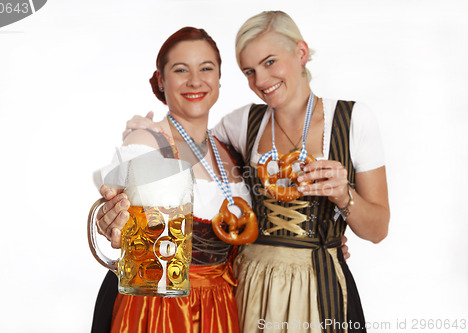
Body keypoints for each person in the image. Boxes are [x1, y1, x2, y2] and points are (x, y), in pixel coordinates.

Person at [108, 11, 384, 333]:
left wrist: (341, 202)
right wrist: (140, 143)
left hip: (314, 281)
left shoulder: (353, 120)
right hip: (244, 287)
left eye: (270, 62)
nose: (261, 81)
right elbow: (177, 157)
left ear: (301, 52)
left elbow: (378, 229)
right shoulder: (240, 126)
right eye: (250, 71)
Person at [90, 27, 253, 333]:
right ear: (161, 80)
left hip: (223, 306)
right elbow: (118, 214)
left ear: (219, 78)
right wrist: (109, 220)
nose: (195, 80)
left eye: (207, 68)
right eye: (181, 70)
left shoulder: (229, 148)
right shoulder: (146, 140)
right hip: (158, 305)